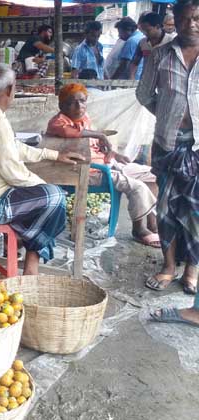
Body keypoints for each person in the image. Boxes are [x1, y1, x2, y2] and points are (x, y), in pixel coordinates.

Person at [0, 64, 83, 275]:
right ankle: (32, 262)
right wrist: (44, 187)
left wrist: (53, 154)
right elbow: (14, 173)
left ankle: (29, 244)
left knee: (44, 200)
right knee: (56, 199)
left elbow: (13, 146)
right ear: (10, 90)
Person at [142, 0, 199, 327]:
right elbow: (144, 94)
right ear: (173, 20)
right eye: (185, 18)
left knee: (195, 211)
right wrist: (168, 117)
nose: (191, 24)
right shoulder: (160, 55)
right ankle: (168, 266)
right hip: (167, 144)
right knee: (165, 209)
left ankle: (192, 270)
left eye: (197, 18)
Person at [47, 83, 159, 247]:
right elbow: (68, 133)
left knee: (152, 175)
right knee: (137, 187)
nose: (79, 106)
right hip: (91, 172)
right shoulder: (58, 122)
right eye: (72, 102)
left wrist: (112, 153)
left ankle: (152, 221)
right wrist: (100, 135)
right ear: (61, 105)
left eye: (83, 101)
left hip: (106, 164)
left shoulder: (84, 119)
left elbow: (95, 146)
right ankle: (139, 229)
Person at [130, 12, 176, 79]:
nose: (144, 33)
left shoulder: (171, 41)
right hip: (146, 80)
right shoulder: (142, 42)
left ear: (157, 26)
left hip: (166, 80)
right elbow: (135, 62)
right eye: (143, 30)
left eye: (148, 30)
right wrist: (132, 77)